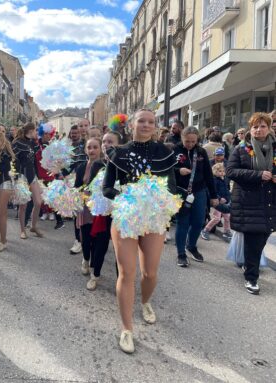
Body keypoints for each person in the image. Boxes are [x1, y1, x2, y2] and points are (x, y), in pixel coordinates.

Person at [103, 108, 177, 354]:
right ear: (132, 125)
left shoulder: (165, 153)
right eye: (141, 121)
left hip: (154, 218)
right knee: (127, 272)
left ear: (155, 126)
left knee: (150, 273)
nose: (146, 125)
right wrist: (127, 196)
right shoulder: (119, 153)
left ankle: (145, 302)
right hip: (126, 217)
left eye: (151, 122)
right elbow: (106, 188)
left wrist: (164, 201)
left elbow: (173, 187)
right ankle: (126, 328)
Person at [226, 112, 276, 295]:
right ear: (250, 129)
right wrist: (257, 175)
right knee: (253, 241)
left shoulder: (275, 148)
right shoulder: (241, 148)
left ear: (269, 128)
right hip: (249, 201)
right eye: (255, 126)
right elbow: (230, 171)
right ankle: (251, 278)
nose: (258, 130)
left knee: (261, 239)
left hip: (270, 202)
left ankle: (249, 266)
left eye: (262, 126)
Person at [174, 127, 219, 267]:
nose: (190, 144)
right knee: (183, 222)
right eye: (187, 141)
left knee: (199, 222)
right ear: (182, 138)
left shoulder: (201, 151)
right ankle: (181, 253)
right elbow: (165, 169)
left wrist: (213, 195)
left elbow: (208, 174)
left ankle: (191, 246)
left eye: (193, 141)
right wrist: (178, 171)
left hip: (199, 191)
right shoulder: (174, 150)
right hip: (181, 191)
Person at [74, 138, 107, 291]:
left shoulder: (105, 167)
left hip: (100, 211)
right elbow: (76, 187)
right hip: (85, 210)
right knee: (86, 241)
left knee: (99, 244)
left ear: (100, 149)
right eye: (89, 147)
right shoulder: (80, 168)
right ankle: (86, 259)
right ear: (86, 150)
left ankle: (95, 274)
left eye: (95, 147)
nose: (92, 150)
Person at [13, 122, 44, 239]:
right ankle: (22, 230)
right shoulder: (17, 143)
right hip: (21, 176)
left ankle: (33, 226)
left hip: (32, 175)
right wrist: (16, 178)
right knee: (23, 205)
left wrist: (38, 175)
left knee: (38, 202)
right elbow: (13, 160)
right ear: (31, 131)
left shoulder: (32, 143)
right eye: (35, 130)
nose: (37, 132)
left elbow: (34, 161)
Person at [68, 124, 87, 254]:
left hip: (89, 181)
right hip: (74, 182)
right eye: (72, 133)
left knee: (88, 212)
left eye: (76, 133)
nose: (74, 135)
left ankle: (87, 239)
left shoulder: (86, 145)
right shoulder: (67, 147)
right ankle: (78, 240)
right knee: (76, 212)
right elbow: (67, 166)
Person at [201, 163, 232, 242]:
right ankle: (205, 230)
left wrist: (228, 198)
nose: (222, 173)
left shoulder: (224, 179)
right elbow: (213, 191)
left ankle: (226, 231)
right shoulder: (214, 180)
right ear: (214, 171)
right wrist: (219, 198)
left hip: (225, 202)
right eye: (219, 171)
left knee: (227, 217)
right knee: (217, 218)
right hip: (218, 203)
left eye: (223, 171)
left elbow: (227, 190)